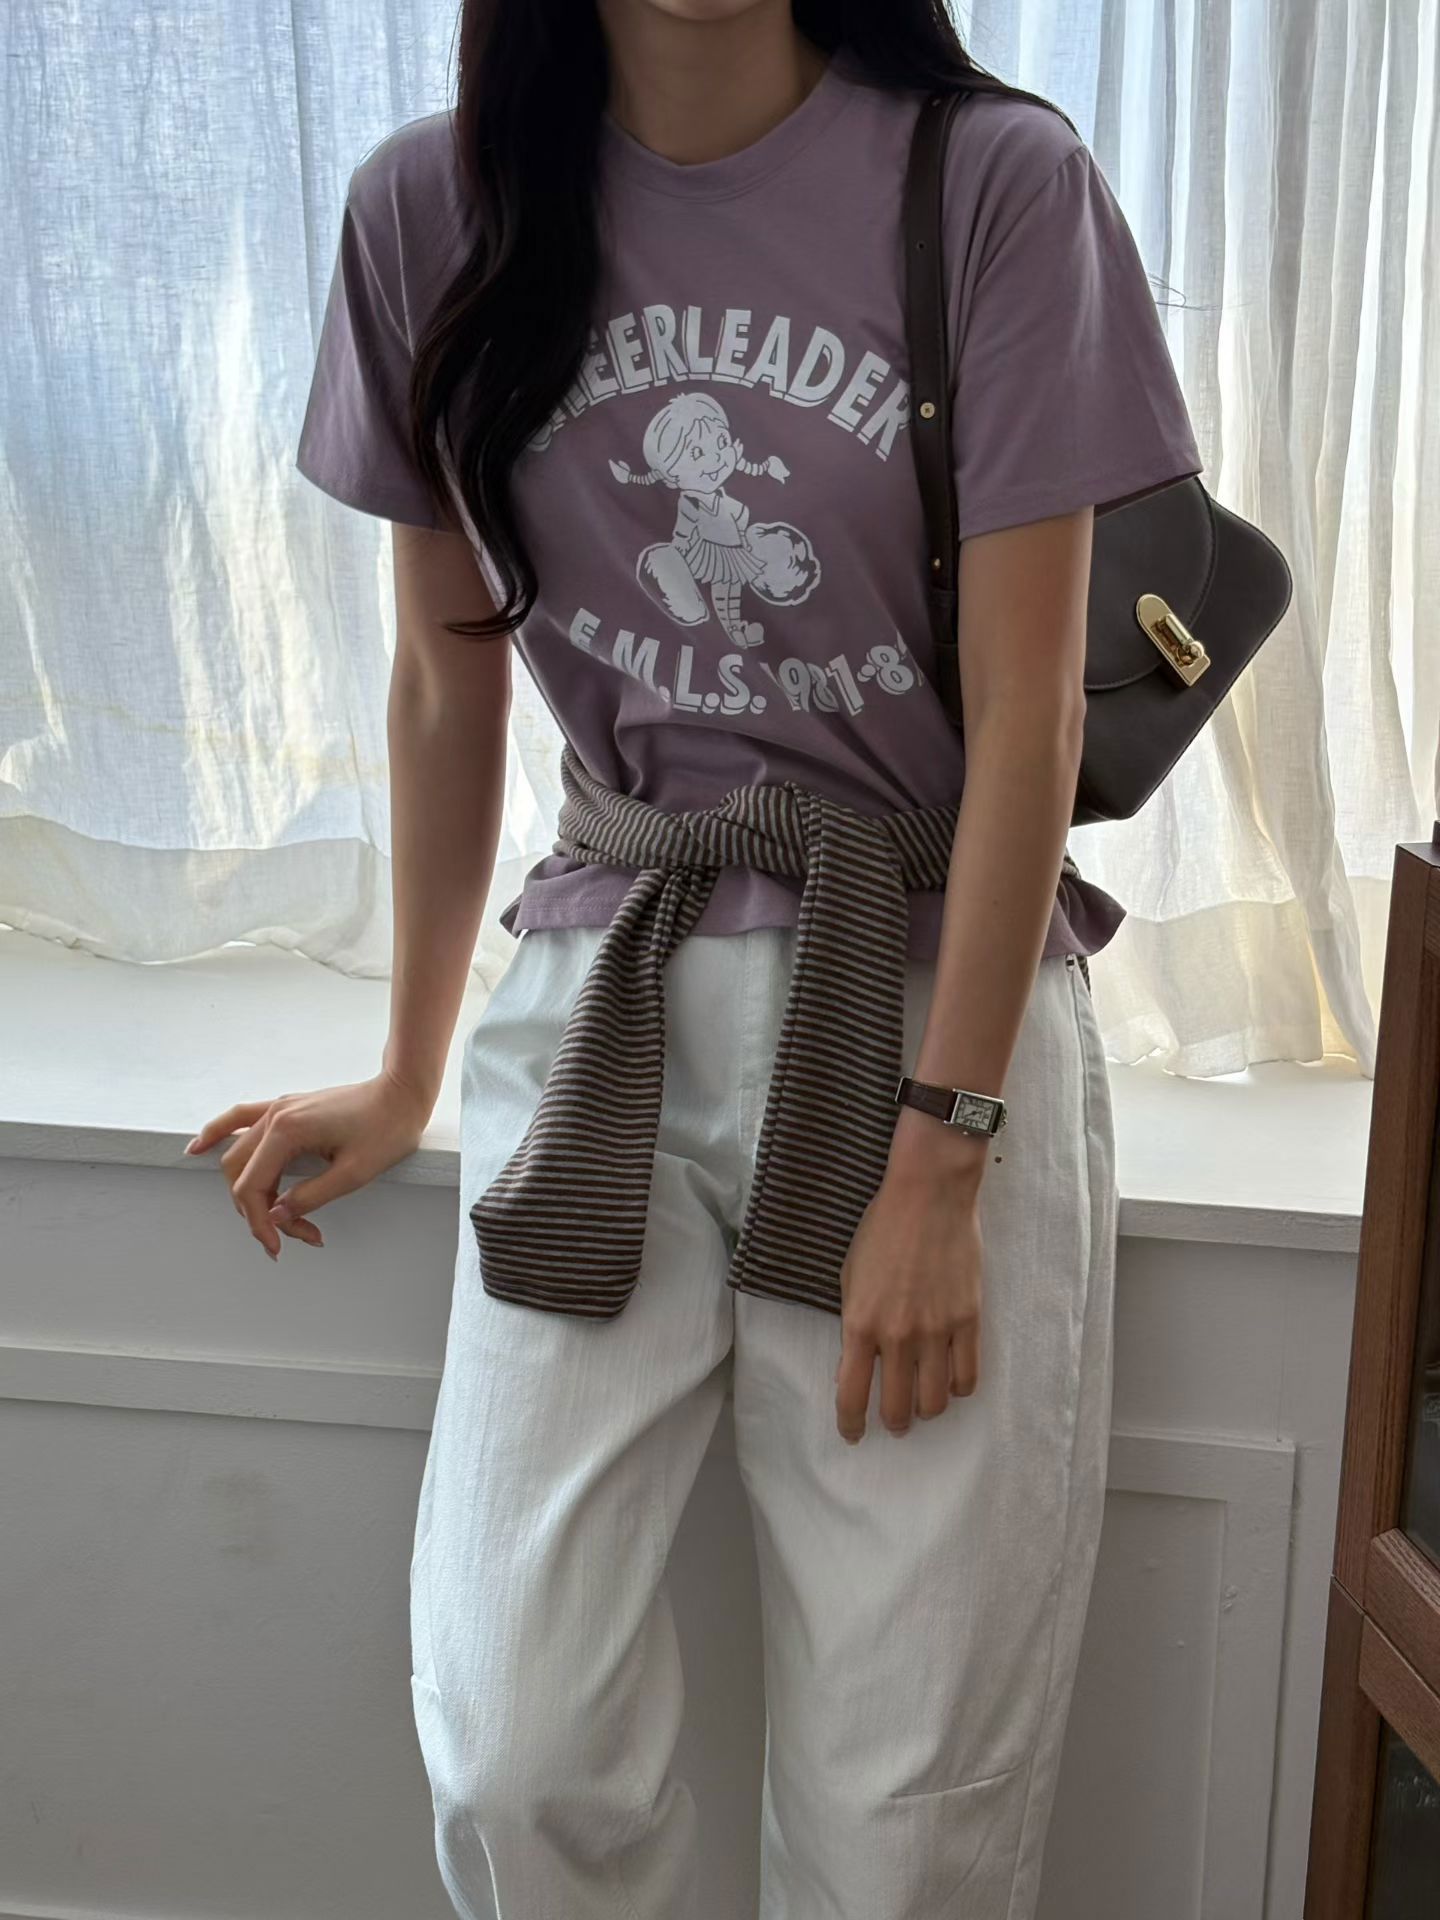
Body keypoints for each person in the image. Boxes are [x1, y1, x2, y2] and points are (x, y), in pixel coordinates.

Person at [186, 1, 1204, 1914]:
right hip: (610, 994)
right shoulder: (432, 209)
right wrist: (407, 1073)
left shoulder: (995, 183)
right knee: (514, 1742)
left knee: (906, 1814)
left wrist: (947, 1155)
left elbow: (1029, 720)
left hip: (925, 1010)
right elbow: (444, 681)